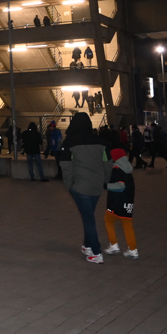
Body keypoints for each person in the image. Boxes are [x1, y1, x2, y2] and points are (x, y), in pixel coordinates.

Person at [59, 112, 113, 263]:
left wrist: (69, 185)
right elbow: (108, 163)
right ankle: (87, 245)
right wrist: (106, 181)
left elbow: (66, 166)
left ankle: (96, 252)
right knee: (88, 215)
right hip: (96, 186)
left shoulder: (70, 142)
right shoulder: (101, 141)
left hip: (80, 186)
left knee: (89, 218)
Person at [104, 148, 139, 259]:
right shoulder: (127, 168)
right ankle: (133, 249)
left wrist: (106, 186)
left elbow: (120, 186)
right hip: (128, 201)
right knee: (127, 224)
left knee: (108, 219)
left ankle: (114, 244)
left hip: (117, 202)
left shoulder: (116, 169)